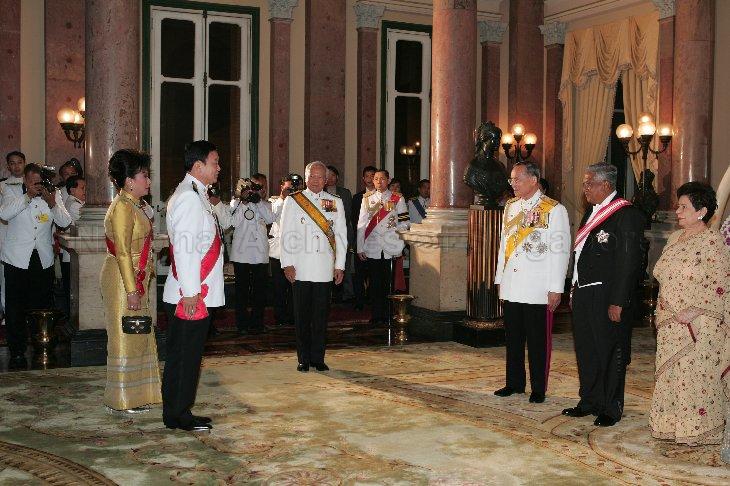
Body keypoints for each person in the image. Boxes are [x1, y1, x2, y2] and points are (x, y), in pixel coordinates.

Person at [562, 163, 644, 427]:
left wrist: (618, 301)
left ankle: (611, 407)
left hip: (608, 294)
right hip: (585, 292)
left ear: (606, 185)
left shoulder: (626, 214)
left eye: (589, 183)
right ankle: (590, 400)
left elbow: (628, 262)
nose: (585, 188)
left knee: (609, 351)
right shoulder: (591, 211)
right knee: (586, 350)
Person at [650, 182, 729, 445]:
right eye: (678, 205)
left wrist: (695, 309)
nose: (678, 210)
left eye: (684, 207)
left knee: (694, 378)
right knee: (671, 376)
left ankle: (698, 430)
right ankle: (672, 425)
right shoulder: (674, 238)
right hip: (669, 322)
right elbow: (662, 275)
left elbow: (721, 285)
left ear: (702, 211)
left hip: (698, 325)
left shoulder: (712, 241)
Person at [493, 162, 570, 403]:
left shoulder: (554, 210)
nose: (513, 184)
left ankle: (538, 388)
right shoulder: (511, 207)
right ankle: (514, 383)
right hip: (513, 283)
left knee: (538, 341)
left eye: (517, 179)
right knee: (513, 338)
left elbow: (560, 251)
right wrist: (499, 278)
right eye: (511, 180)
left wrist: (556, 288)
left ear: (534, 180)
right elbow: (504, 245)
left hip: (538, 287)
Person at [162, 140, 224, 431]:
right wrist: (191, 294)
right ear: (198, 166)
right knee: (185, 356)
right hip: (191, 293)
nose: (219, 168)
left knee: (187, 354)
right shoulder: (189, 197)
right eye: (215, 162)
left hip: (195, 289)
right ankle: (178, 414)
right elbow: (186, 250)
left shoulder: (195, 194)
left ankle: (178, 410)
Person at [100, 150, 161, 413]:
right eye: (144, 176)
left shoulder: (135, 205)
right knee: (125, 337)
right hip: (123, 280)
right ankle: (121, 401)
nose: (148, 181)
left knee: (139, 334)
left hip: (135, 278)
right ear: (128, 181)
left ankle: (138, 395)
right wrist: (132, 289)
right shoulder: (122, 208)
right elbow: (123, 251)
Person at [0, 163, 71, 368]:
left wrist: (52, 204)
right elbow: (4, 214)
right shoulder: (10, 190)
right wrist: (27, 196)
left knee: (41, 305)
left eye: (39, 182)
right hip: (17, 259)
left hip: (43, 258)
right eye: (32, 182)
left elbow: (65, 221)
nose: (37, 186)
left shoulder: (53, 193)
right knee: (16, 307)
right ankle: (17, 350)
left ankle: (41, 345)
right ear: (25, 180)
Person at [279, 161, 347, 372]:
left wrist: (340, 265)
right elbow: (286, 234)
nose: (316, 180)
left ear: (326, 179)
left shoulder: (335, 201)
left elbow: (342, 235)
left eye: (320, 177)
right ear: (306, 178)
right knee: (302, 316)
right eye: (312, 177)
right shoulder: (294, 201)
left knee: (320, 316)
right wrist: (286, 264)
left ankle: (318, 357)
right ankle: (303, 358)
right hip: (300, 267)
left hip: (324, 268)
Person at [219, 173, 274, 335]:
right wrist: (244, 202)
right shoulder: (236, 203)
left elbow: (270, 219)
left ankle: (257, 323)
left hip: (260, 253)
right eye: (255, 186)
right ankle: (242, 324)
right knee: (241, 291)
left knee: (259, 292)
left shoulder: (267, 204)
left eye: (262, 186)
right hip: (242, 253)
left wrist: (257, 203)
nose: (259, 189)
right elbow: (233, 223)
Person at [356, 169, 409, 326]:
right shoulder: (367, 199)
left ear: (388, 180)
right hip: (372, 246)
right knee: (374, 283)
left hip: (390, 246)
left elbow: (405, 222)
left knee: (388, 283)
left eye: (382, 179)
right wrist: (360, 247)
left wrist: (398, 241)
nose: (379, 182)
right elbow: (361, 224)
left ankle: (387, 314)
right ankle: (375, 314)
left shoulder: (398, 198)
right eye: (376, 179)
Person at [268, 174, 299, 326]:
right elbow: (271, 215)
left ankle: (293, 316)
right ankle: (280, 316)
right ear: (282, 187)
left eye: (294, 187)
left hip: (296, 252)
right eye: (288, 187)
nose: (291, 190)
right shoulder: (274, 201)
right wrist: (283, 197)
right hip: (278, 252)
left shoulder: (302, 200)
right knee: (279, 287)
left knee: (294, 287)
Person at [0, 151, 27, 314]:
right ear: (8, 166)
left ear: (24, 163)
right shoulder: (3, 186)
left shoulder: (34, 182)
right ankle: (6, 314)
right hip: (7, 236)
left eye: (19, 162)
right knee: (6, 280)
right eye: (12, 163)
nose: (16, 166)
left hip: (28, 238)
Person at [326, 165, 354, 302]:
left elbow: (348, 214)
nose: (330, 178)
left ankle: (347, 295)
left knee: (345, 265)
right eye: (327, 175)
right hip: (326, 236)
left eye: (332, 175)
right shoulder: (321, 193)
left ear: (337, 177)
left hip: (343, 234)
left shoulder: (345, 192)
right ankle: (329, 294)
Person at [351, 165, 377, 311]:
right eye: (367, 176)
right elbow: (354, 220)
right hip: (361, 239)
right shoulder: (357, 197)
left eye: (372, 176)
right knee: (359, 274)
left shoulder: (383, 197)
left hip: (376, 242)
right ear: (363, 179)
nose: (369, 179)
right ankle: (359, 301)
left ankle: (374, 301)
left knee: (374, 274)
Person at [60, 175, 86, 317]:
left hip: (74, 253)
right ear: (72, 190)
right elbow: (87, 223)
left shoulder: (77, 202)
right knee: (73, 291)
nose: (85, 191)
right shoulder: (74, 204)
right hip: (72, 256)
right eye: (82, 188)